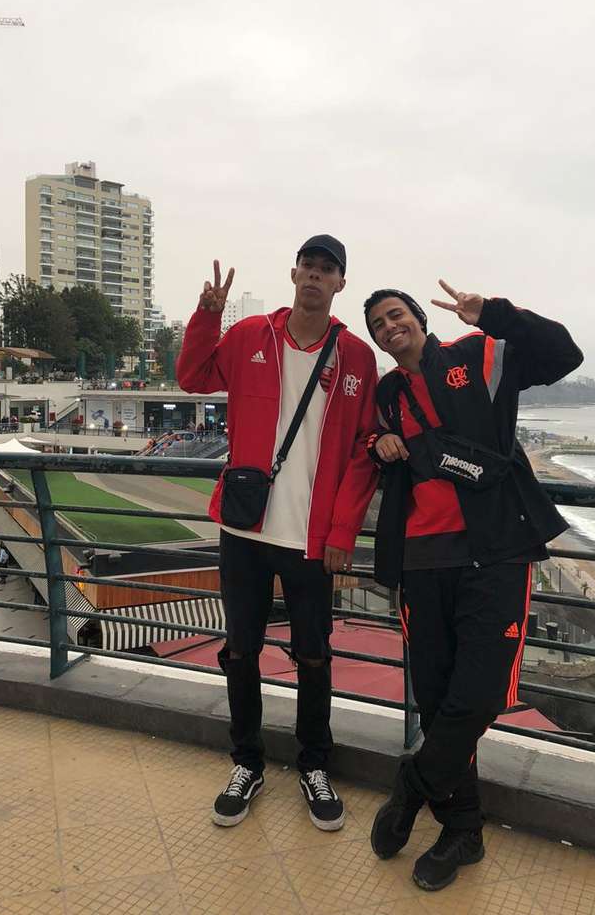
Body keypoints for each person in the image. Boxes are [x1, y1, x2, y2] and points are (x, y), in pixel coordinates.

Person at [363, 280, 583, 892]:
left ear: (416, 318)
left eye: (396, 313)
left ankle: (413, 787)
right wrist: (378, 442)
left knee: (480, 694)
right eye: (378, 323)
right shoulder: (386, 393)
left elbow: (565, 354)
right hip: (422, 564)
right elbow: (373, 449)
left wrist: (494, 314)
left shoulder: (478, 354)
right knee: (436, 703)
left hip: (496, 554)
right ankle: (464, 831)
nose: (389, 326)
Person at [177, 237, 378, 832]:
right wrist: (208, 313)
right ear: (294, 273)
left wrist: (344, 530)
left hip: (313, 541)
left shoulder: (358, 359)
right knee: (241, 649)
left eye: (328, 271)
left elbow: (365, 452)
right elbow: (190, 377)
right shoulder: (248, 337)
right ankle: (247, 762)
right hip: (246, 527)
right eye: (308, 267)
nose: (315, 277)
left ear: (340, 283)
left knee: (313, 655)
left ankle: (315, 765)